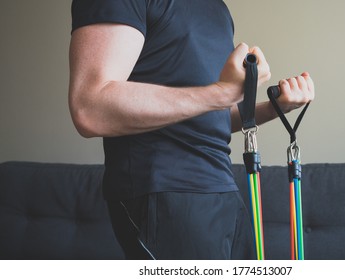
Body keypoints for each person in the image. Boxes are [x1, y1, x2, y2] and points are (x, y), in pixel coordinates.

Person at [68, 0, 314, 260]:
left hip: (223, 187)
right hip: (165, 190)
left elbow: (213, 113)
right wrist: (220, 93)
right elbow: (90, 107)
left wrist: (277, 108)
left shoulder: (217, 8)